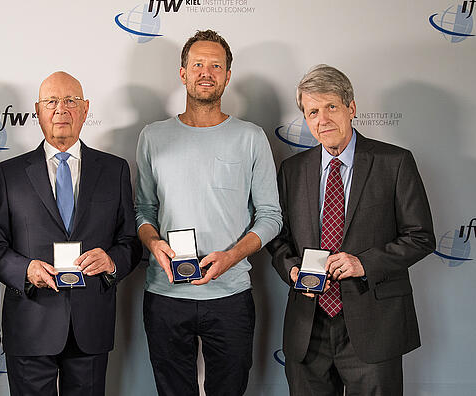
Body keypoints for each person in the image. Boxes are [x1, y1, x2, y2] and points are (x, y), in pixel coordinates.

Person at [267, 64, 435, 395]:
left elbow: (421, 236)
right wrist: (292, 270)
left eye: (331, 106)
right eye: (312, 111)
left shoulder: (394, 162)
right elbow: (279, 238)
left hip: (374, 323)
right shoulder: (292, 170)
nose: (323, 119)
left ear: (351, 108)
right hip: (307, 326)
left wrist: (364, 263)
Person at [134, 30, 282, 396]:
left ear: (228, 76)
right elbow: (143, 209)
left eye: (216, 65)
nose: (206, 72)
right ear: (182, 73)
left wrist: (232, 256)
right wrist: (153, 243)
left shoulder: (250, 137)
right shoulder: (153, 136)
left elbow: (270, 215)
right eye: (198, 64)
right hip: (166, 292)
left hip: (231, 296)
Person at [0, 71, 142, 396]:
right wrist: (25, 270)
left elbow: (131, 242)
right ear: (37, 111)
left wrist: (112, 261)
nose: (61, 109)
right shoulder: (9, 174)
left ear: (85, 109)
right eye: (51, 101)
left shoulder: (115, 170)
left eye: (70, 101)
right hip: (30, 323)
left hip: (91, 325)